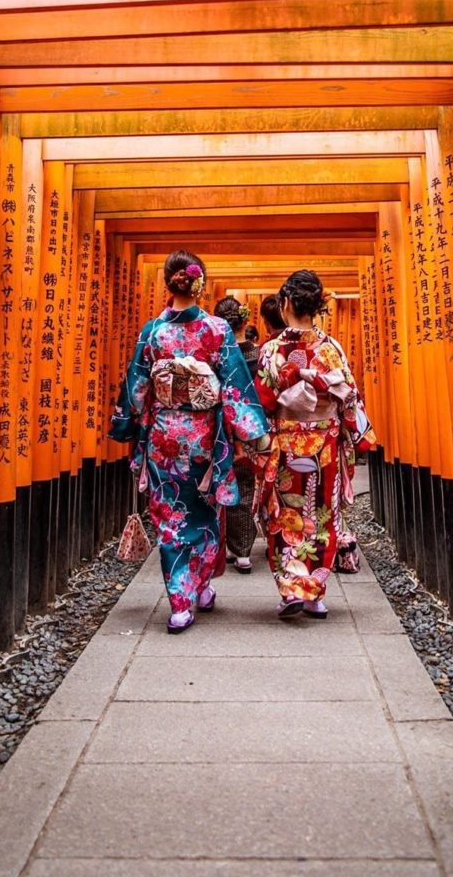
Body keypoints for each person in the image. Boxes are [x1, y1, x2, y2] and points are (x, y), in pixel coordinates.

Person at [110, 251, 269, 633]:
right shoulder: (216, 330)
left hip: (164, 437)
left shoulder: (152, 332)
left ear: (169, 283)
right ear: (199, 283)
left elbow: (136, 387)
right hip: (203, 439)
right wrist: (254, 433)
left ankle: (180, 602)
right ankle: (201, 586)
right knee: (204, 511)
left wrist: (126, 424)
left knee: (170, 517)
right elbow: (233, 387)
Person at [254, 269, 376, 619]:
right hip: (325, 444)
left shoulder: (272, 350)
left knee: (284, 514)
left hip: (286, 442)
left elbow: (262, 402)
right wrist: (359, 433)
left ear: (286, 302)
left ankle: (292, 587)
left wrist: (254, 444)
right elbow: (348, 396)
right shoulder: (331, 348)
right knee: (322, 515)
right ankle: (314, 594)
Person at [214, 296, 260, 574]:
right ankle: (242, 550)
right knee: (244, 486)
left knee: (218, 485)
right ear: (244, 321)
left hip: (220, 426)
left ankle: (223, 546)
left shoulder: (216, 353)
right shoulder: (258, 354)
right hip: (251, 426)